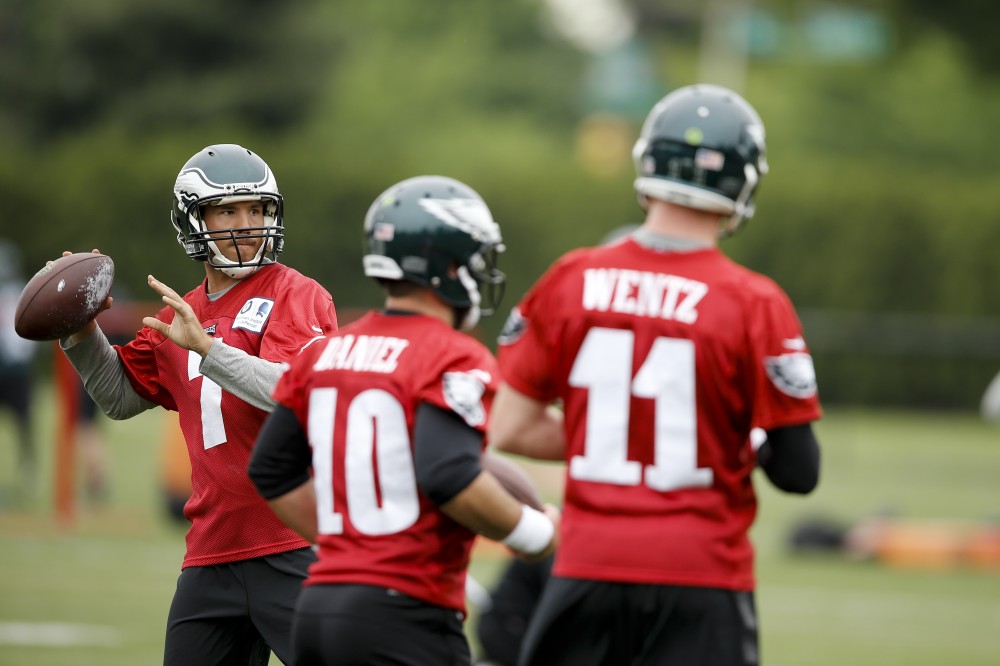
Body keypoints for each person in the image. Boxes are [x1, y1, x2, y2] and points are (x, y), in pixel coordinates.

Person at [488, 84, 823, 666]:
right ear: (743, 181)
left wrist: (616, 435)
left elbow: (511, 426)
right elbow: (798, 471)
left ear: (648, 160)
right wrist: (695, 439)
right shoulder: (754, 302)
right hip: (701, 576)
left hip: (586, 567)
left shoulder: (571, 277)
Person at [248, 175, 560, 666]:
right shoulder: (453, 354)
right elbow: (448, 473)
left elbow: (270, 470)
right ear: (450, 265)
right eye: (476, 260)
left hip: (319, 607)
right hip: (405, 617)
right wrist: (535, 533)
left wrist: (350, 544)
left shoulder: (325, 353)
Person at [58, 143, 338, 666]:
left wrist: (210, 350)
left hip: (294, 540)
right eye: (228, 211)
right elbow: (118, 396)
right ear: (193, 219)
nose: (246, 223)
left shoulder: (297, 294)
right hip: (211, 552)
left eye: (257, 209)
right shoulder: (184, 315)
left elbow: (294, 393)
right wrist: (80, 329)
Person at [0, 239, 39, 497]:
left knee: (24, 425)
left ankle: (27, 470)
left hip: (16, 371)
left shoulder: (22, 293)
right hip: (11, 369)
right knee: (24, 425)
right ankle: (26, 470)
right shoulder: (21, 293)